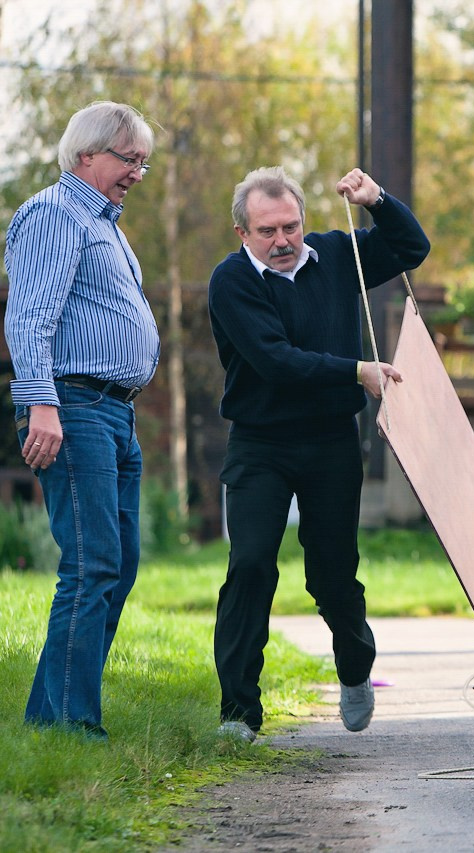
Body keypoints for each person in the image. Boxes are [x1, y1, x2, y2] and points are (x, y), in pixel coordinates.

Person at [207, 166, 429, 741]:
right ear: (242, 233)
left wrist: (376, 199)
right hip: (260, 444)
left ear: (304, 221)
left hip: (330, 441)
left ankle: (355, 671)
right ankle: (239, 711)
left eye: (291, 226)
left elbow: (412, 246)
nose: (282, 241)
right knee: (251, 564)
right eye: (266, 231)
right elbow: (276, 360)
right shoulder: (230, 283)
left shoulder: (334, 255)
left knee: (333, 575)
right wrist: (358, 372)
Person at [4, 101, 159, 740]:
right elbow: (30, 315)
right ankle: (70, 725)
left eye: (143, 162)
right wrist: (41, 402)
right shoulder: (54, 215)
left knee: (116, 566)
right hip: (74, 407)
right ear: (86, 154)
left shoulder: (105, 224)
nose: (137, 174)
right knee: (92, 564)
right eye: (129, 159)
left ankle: (50, 716)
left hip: (113, 413)